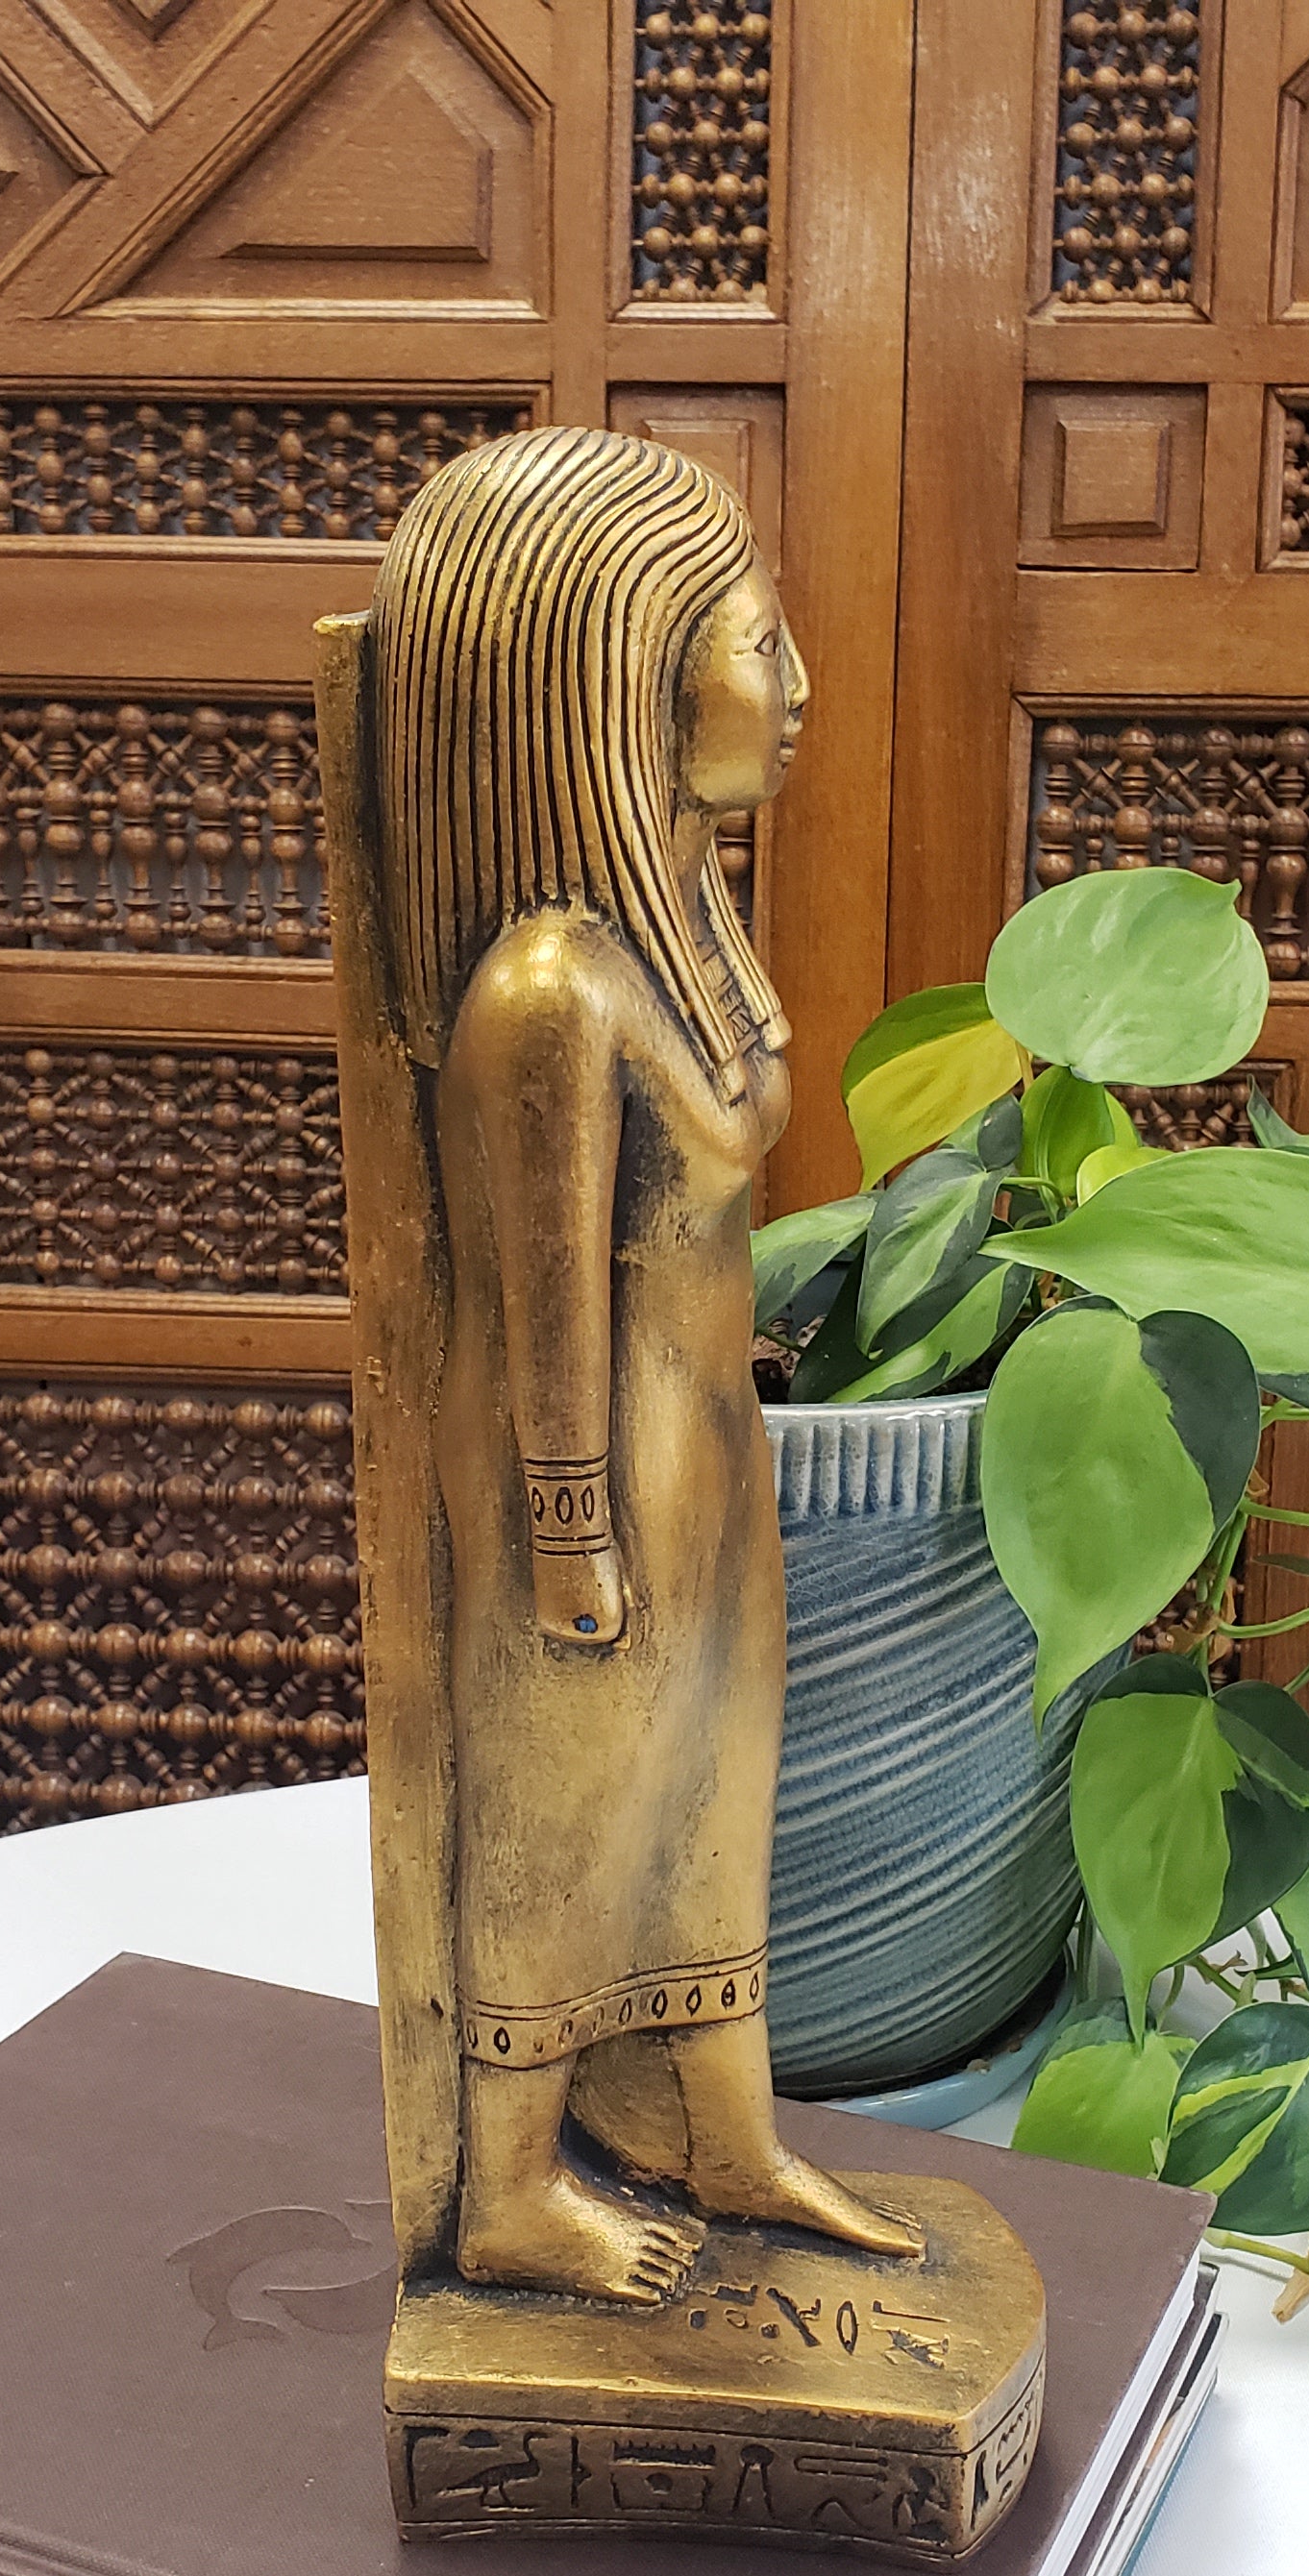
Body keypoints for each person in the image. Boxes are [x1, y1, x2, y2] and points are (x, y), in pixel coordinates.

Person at [358, 425, 923, 2303]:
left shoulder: (677, 919)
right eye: (761, 639)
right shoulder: (545, 988)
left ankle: (727, 2133)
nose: (802, 684)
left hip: (706, 1444)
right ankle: (508, 2188)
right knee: (568, 1808)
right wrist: (573, 1531)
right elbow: (539, 1306)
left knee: (703, 1799)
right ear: (622, 684)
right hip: (577, 1477)